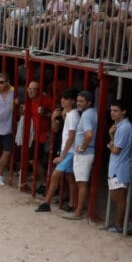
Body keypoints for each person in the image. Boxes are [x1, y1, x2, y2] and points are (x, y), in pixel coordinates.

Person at [36, 89, 79, 213]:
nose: (62, 101)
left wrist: (62, 156)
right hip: (69, 151)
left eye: (65, 99)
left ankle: (46, 202)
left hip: (69, 152)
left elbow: (71, 136)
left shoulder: (73, 116)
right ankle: (72, 204)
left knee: (55, 175)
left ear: (72, 101)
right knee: (70, 178)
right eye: (62, 98)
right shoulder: (71, 115)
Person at [66, 90, 98, 219]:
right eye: (78, 101)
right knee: (82, 182)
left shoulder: (86, 115)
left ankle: (78, 211)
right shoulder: (93, 112)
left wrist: (82, 147)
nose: (78, 104)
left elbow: (89, 134)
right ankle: (80, 208)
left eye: (81, 101)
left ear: (89, 102)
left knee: (81, 183)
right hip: (87, 152)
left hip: (84, 153)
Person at [106, 99, 132, 233]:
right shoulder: (119, 125)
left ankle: (121, 225)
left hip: (120, 168)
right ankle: (119, 224)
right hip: (116, 167)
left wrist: (110, 137)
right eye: (111, 110)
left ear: (123, 112)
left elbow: (116, 149)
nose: (112, 113)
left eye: (116, 111)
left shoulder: (124, 127)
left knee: (119, 198)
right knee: (114, 197)